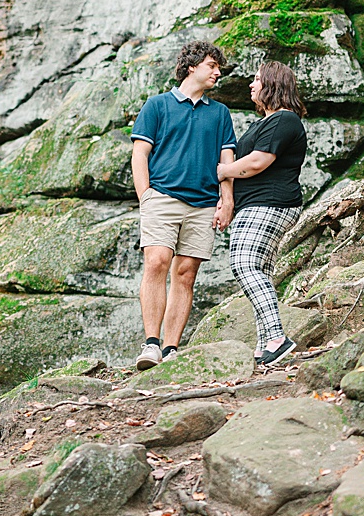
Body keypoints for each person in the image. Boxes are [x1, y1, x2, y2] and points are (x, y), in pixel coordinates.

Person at [129, 41, 236, 370]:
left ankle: (171, 347)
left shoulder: (219, 113)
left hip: (203, 203)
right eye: (211, 65)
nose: (217, 72)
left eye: (218, 67)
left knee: (186, 275)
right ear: (191, 67)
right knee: (157, 262)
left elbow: (227, 159)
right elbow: (139, 154)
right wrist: (145, 195)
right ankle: (151, 344)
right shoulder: (158, 105)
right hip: (162, 197)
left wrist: (227, 200)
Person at [213, 60, 308, 367]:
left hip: (270, 204)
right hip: (257, 205)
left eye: (256, 80)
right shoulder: (264, 123)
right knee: (260, 273)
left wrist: (222, 171)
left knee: (243, 265)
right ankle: (264, 346)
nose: (251, 85)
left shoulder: (284, 120)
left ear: (273, 84)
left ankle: (278, 338)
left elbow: (257, 163)